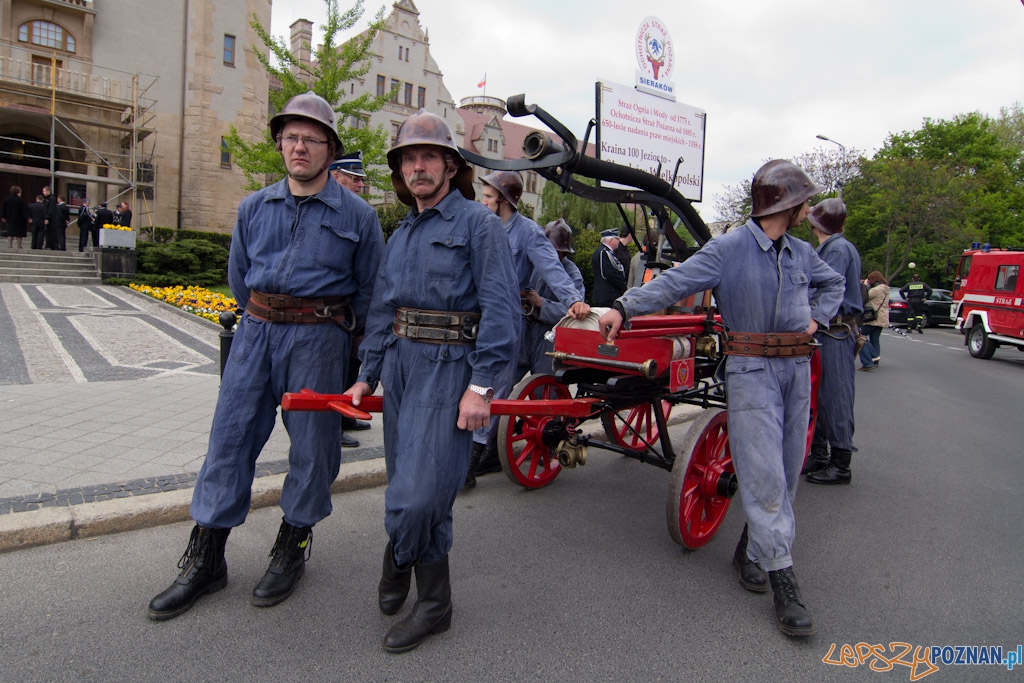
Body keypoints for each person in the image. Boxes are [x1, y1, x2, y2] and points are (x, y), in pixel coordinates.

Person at [147, 91, 385, 621]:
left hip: (320, 342)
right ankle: (206, 558)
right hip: (255, 335)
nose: (300, 147)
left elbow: (372, 297)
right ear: (280, 144)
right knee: (228, 440)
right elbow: (238, 279)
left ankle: (292, 546)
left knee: (314, 451)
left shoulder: (359, 217)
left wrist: (366, 369)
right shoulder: (254, 207)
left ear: (330, 149)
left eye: (311, 139)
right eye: (291, 137)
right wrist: (265, 318)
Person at [597, 160, 844, 638]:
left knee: (787, 467)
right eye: (804, 201)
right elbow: (676, 281)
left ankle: (753, 548)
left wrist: (816, 318)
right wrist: (625, 306)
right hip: (752, 371)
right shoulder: (729, 249)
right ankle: (784, 579)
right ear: (787, 203)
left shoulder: (800, 253)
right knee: (765, 472)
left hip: (796, 368)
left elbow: (834, 283)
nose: (809, 208)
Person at [345, 109, 521, 653]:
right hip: (401, 368)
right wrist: (366, 375)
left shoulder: (478, 226)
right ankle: (433, 600)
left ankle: (400, 559)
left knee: (417, 498)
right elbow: (383, 310)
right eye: (408, 159)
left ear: (449, 165)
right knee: (411, 483)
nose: (418, 167)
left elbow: (502, 312)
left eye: (428, 157)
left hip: (450, 372)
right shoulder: (401, 233)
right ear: (400, 170)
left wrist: (482, 387)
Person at [467, 170, 589, 484]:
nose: (483, 201)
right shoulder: (481, 226)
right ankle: (480, 450)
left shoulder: (528, 233)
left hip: (512, 323)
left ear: (504, 199)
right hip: (481, 319)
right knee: (477, 383)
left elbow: (552, 268)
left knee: (496, 387)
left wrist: (573, 300)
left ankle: (472, 460)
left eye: (488, 196)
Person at [802, 199, 861, 486]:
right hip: (830, 329)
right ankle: (821, 455)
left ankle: (840, 463)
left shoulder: (836, 249)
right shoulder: (836, 247)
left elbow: (825, 289)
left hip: (834, 330)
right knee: (821, 395)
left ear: (816, 223)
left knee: (834, 395)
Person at [327, 150, 372, 447]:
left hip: (354, 309)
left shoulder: (359, 212)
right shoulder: (329, 210)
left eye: (360, 179)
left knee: (352, 365)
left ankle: (345, 416)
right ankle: (332, 426)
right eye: (354, 178)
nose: (360, 184)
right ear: (336, 176)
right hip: (332, 313)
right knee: (334, 372)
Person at [518, 218, 586, 376]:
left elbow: (575, 313)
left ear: (564, 252)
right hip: (524, 333)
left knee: (545, 384)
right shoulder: (532, 264)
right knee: (502, 382)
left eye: (554, 250)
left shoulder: (572, 274)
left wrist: (542, 303)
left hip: (549, 338)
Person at [858, 271, 890, 370]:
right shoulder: (885, 288)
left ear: (873, 279)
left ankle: (871, 358)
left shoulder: (876, 290)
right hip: (882, 318)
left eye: (869, 279)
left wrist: (864, 285)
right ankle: (875, 360)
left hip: (872, 318)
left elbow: (864, 296)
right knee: (875, 339)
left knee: (860, 337)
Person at [591, 228, 628, 306]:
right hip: (606, 296)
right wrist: (624, 286)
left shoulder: (607, 252)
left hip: (608, 295)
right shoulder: (604, 252)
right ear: (611, 240)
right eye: (617, 239)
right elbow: (610, 274)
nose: (618, 241)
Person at [41, 185, 59, 250]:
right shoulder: (47, 199)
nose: (43, 192)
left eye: (44, 191)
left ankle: (52, 245)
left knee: (50, 232)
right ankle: (48, 244)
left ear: (48, 191)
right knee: (48, 232)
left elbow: (51, 209)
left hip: (51, 219)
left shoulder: (51, 198)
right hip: (48, 217)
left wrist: (47, 218)